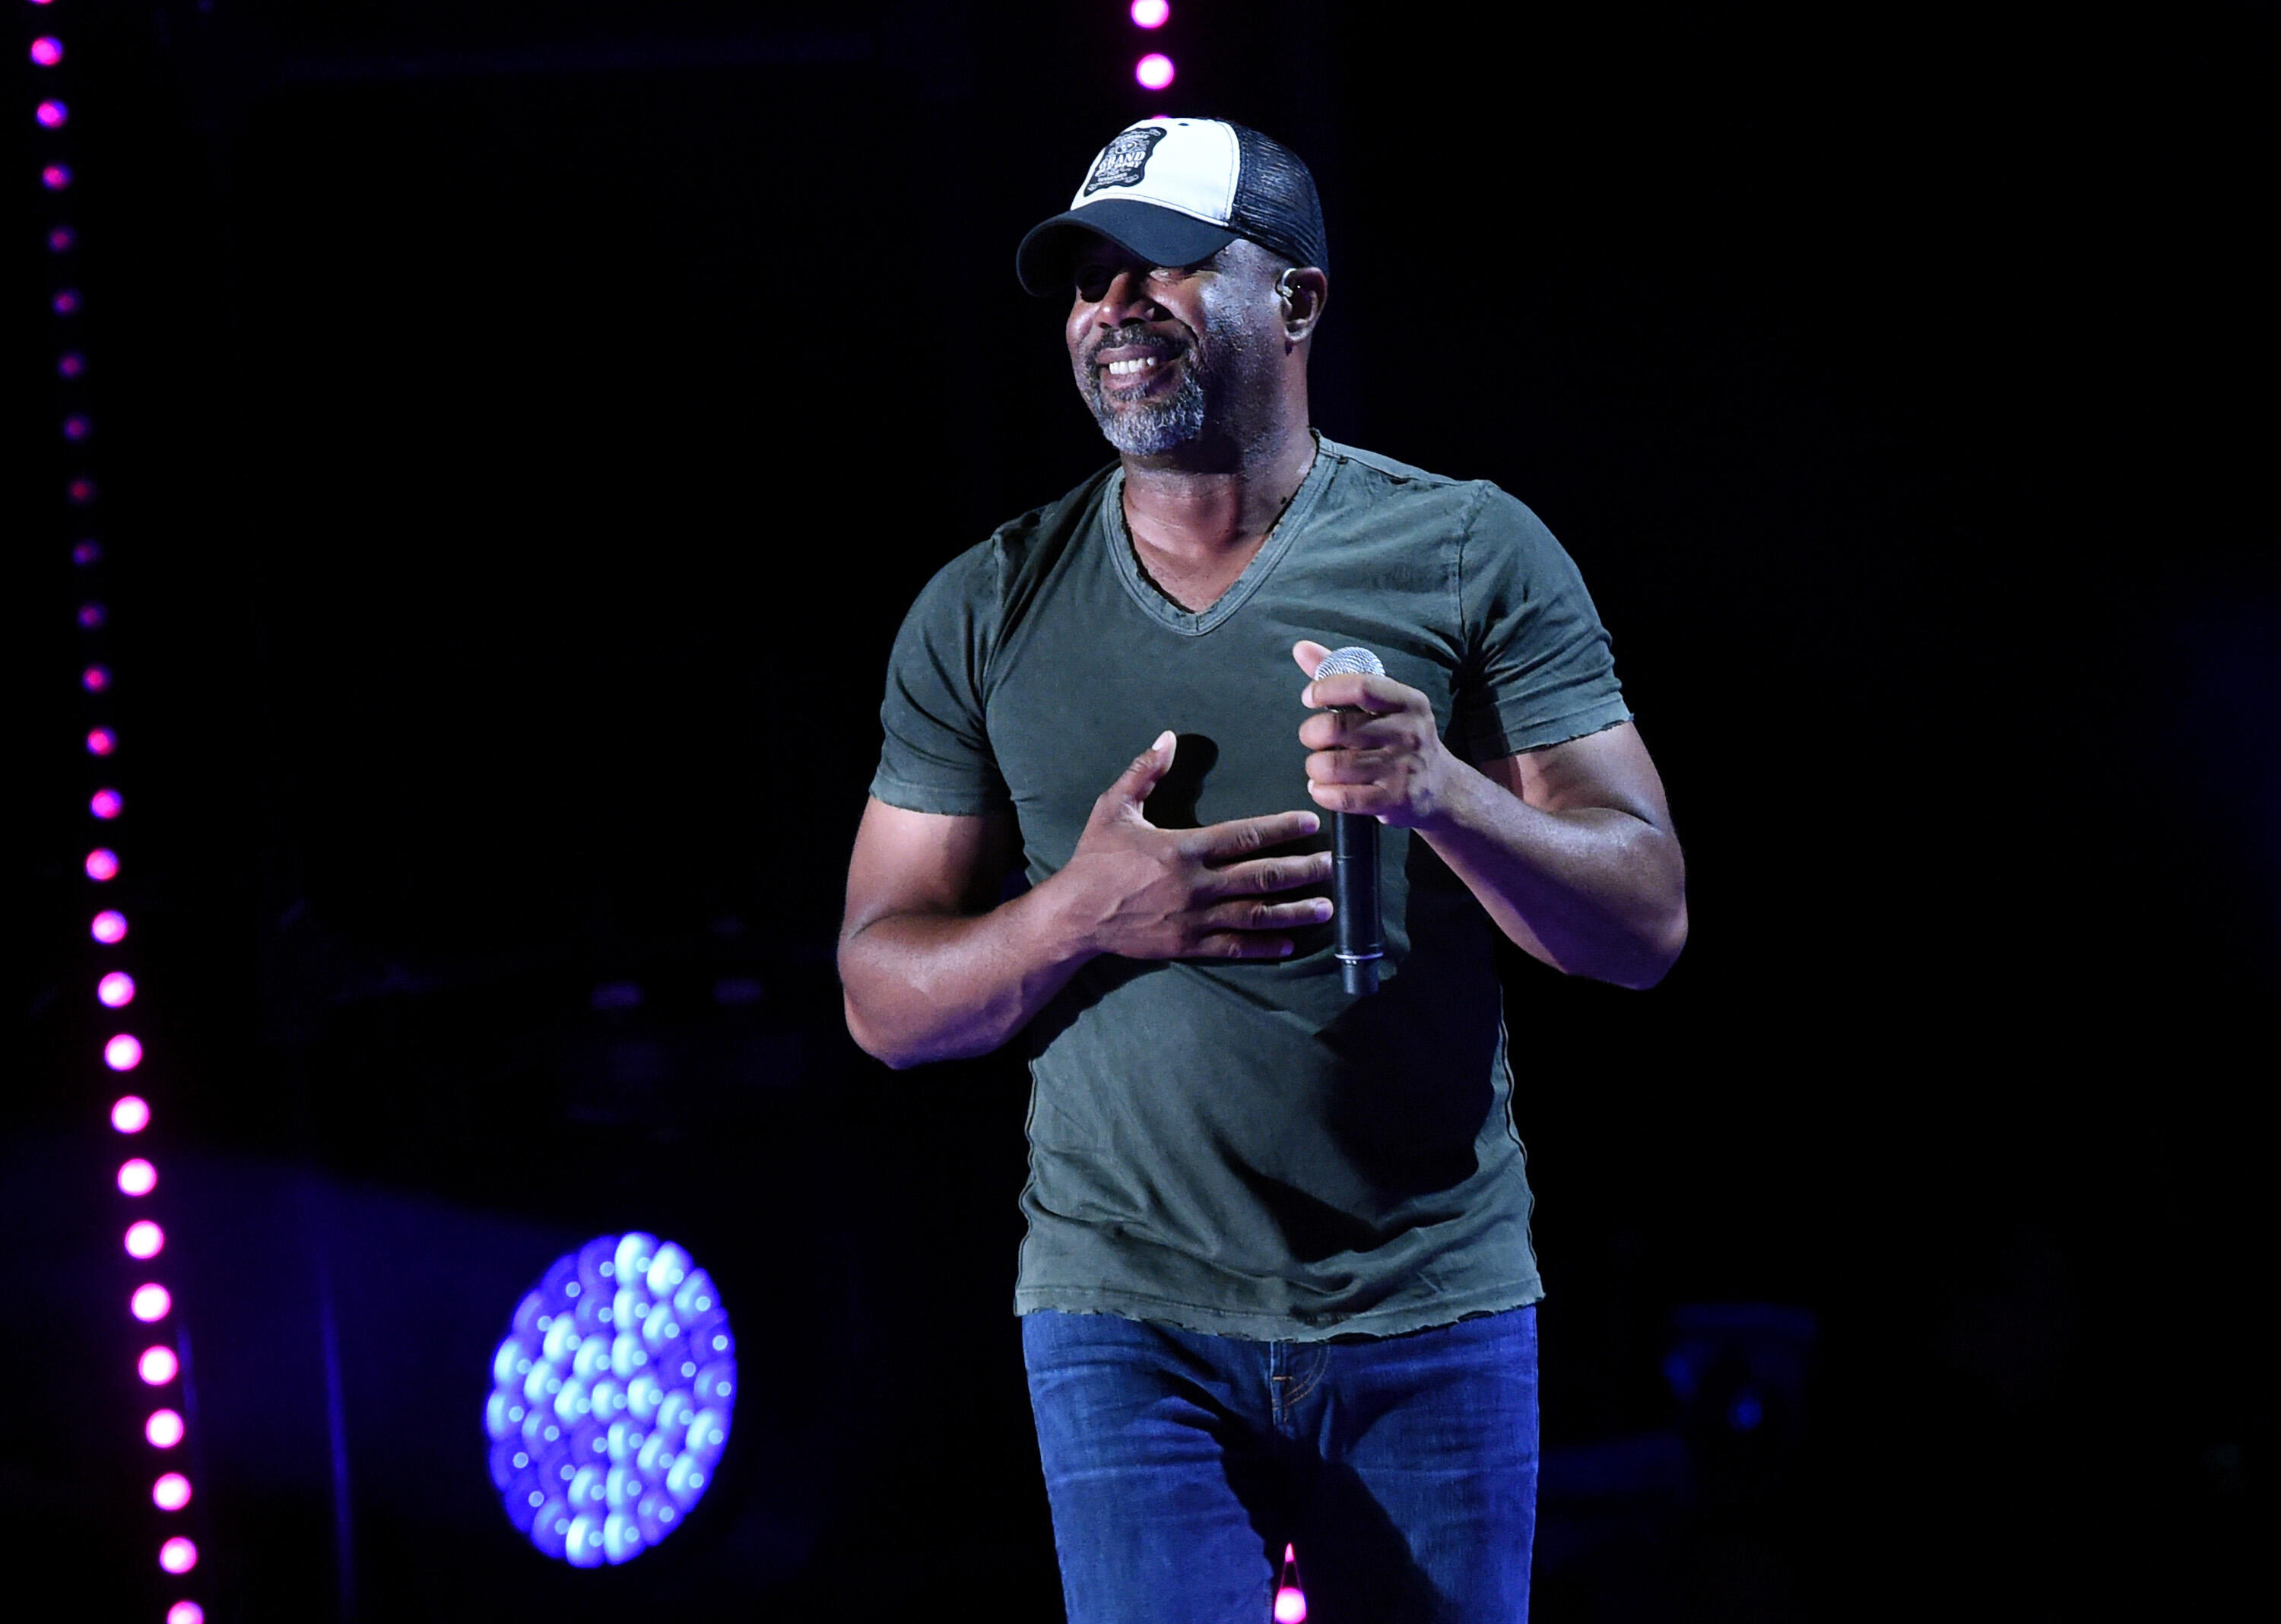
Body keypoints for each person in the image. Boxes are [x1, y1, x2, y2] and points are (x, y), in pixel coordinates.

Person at [838, 116, 1686, 1623]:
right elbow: (883, 1000)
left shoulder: (1473, 552)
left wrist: (1445, 798)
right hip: (1127, 1313)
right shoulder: (984, 605)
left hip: (1430, 1303)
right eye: (1090, 280)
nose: (1116, 310)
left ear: (1296, 303)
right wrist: (1081, 912)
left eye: (1162, 266)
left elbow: (1642, 922)